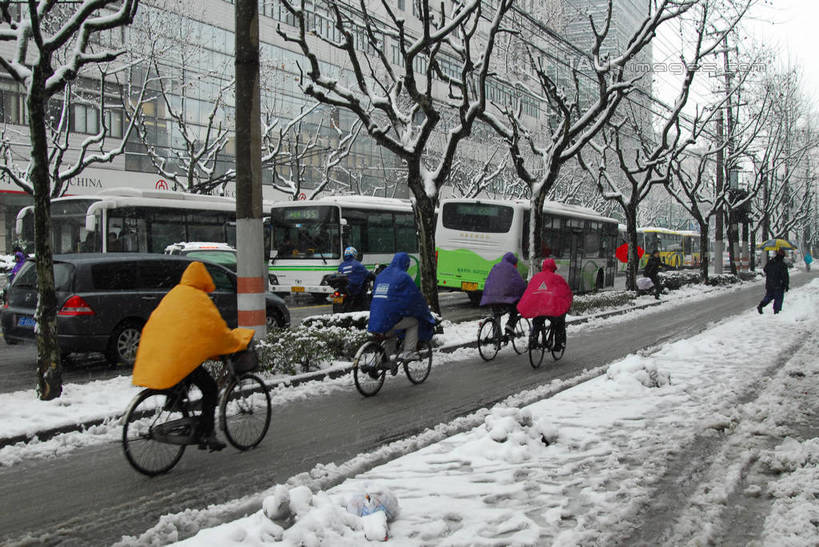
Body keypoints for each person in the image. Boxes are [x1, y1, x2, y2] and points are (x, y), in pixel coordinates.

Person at [132, 261, 254, 451]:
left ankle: (177, 403)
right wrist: (234, 343)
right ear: (203, 281)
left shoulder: (175, 294)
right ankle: (207, 434)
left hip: (163, 351)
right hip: (180, 355)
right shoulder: (199, 299)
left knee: (183, 381)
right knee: (211, 388)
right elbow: (216, 331)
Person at [368, 252, 435, 364]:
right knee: (413, 322)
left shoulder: (381, 275)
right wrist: (424, 311)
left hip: (375, 318)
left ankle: (380, 362)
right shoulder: (403, 277)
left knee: (391, 334)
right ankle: (408, 353)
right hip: (390, 318)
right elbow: (415, 297)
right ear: (405, 264)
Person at [517, 258, 573, 352]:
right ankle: (559, 344)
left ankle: (533, 340)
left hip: (538, 308)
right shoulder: (557, 278)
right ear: (553, 268)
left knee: (537, 321)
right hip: (551, 309)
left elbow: (529, 291)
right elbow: (565, 291)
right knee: (559, 322)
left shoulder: (536, 277)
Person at [480, 252, 527, 338]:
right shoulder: (511, 269)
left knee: (496, 315)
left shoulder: (496, 266)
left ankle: (496, 338)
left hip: (491, 298)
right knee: (515, 308)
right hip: (504, 299)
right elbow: (519, 283)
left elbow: (489, 280)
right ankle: (510, 325)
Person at [337, 246, 374, 310]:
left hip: (343, 289)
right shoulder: (357, 265)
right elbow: (367, 274)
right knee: (365, 302)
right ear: (354, 254)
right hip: (355, 290)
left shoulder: (341, 265)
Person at [757, 248, 789, 315]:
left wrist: (771, 273)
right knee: (778, 298)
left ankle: (761, 305)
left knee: (768, 297)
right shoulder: (782, 264)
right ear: (782, 255)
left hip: (770, 284)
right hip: (779, 285)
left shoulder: (771, 261)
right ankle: (776, 312)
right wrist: (786, 285)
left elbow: (765, 269)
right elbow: (785, 276)